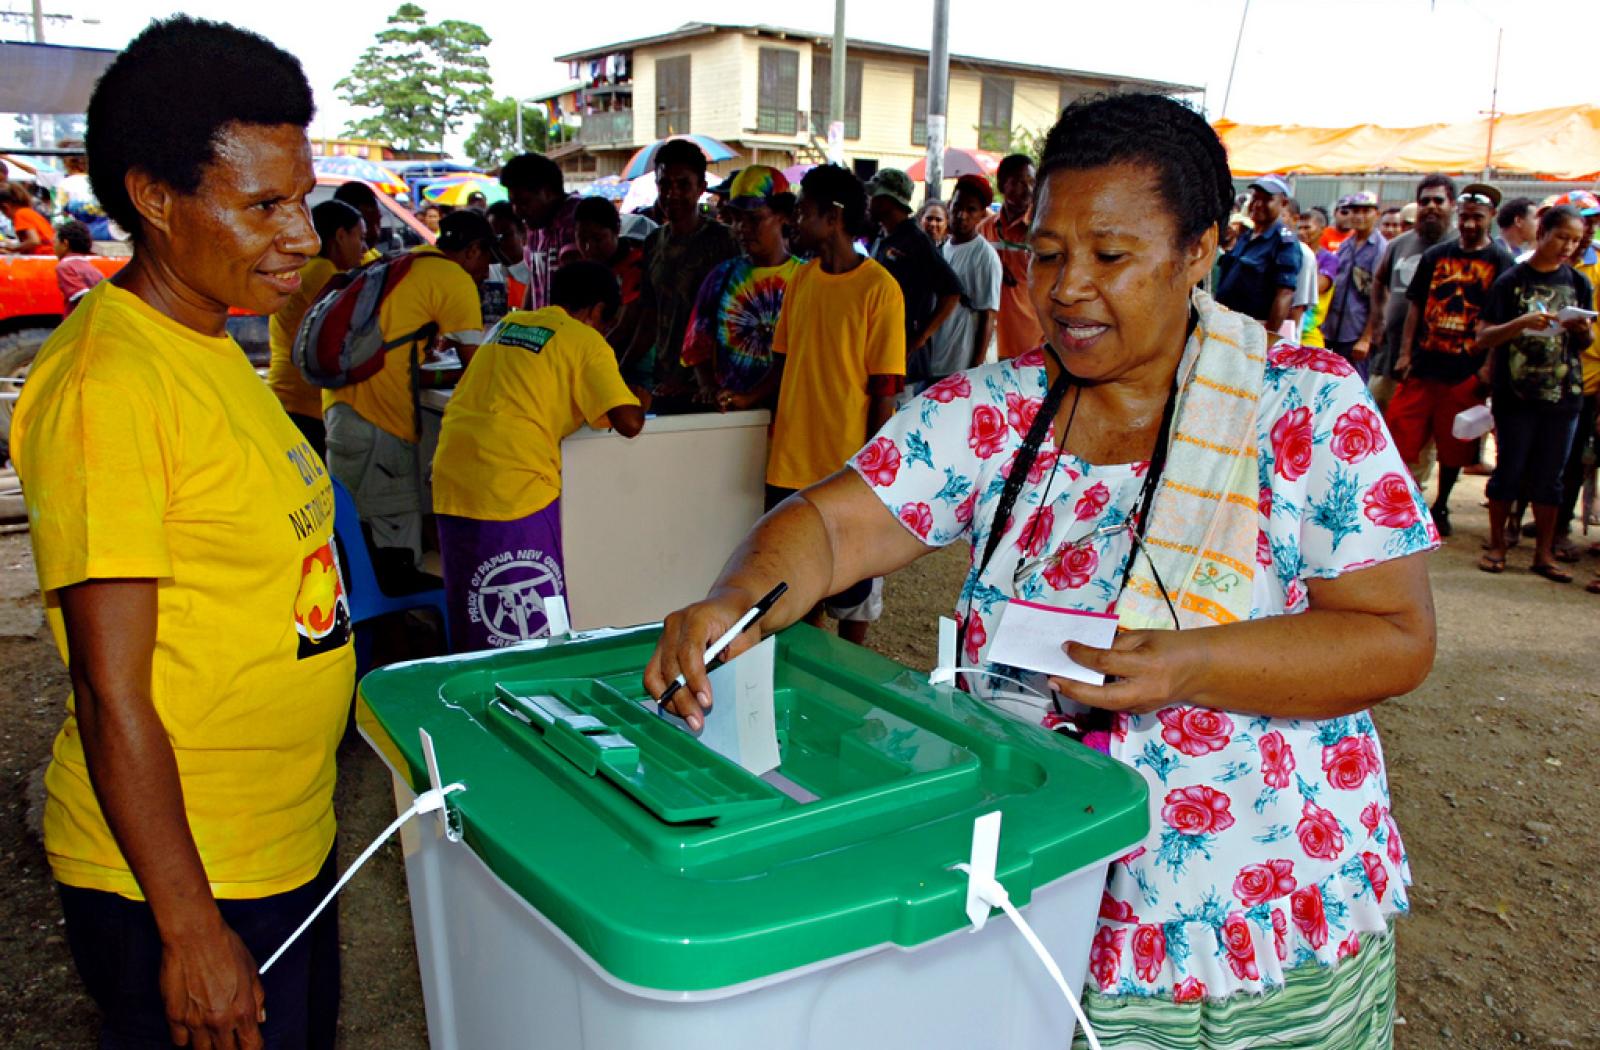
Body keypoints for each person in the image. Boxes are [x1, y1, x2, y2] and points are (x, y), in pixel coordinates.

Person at [647, 94, 1434, 1047]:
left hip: (1245, 918)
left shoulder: (1298, 409)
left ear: (1200, 252)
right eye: (1048, 253)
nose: (1065, 288)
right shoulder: (995, 412)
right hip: (1043, 900)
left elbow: (1393, 638)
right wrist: (736, 599)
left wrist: (1188, 665)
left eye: (1109, 257)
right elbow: (828, 525)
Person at [10, 18, 354, 1048]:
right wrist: (191, 930)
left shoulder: (207, 344)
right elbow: (110, 692)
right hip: (188, 880)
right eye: (262, 205)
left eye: (300, 195)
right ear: (155, 199)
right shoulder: (109, 386)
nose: (300, 233)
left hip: (280, 844)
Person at [432, 261, 645, 650]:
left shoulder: (509, 325)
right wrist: (639, 396)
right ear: (598, 311)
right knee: (529, 619)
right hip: (514, 482)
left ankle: (468, 698)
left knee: (473, 607)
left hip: (452, 475)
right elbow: (628, 421)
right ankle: (530, 702)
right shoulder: (584, 338)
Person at [762, 163, 905, 645]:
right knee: (794, 586)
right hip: (789, 464)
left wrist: (870, 472)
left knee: (854, 587)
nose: (796, 222)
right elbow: (780, 364)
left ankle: (849, 673)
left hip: (844, 467)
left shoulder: (880, 289)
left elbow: (884, 390)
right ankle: (805, 677)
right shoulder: (800, 281)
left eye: (804, 212)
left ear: (835, 216)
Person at [323, 210, 500, 587]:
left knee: (355, 545)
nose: (487, 270)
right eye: (486, 258)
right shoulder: (454, 279)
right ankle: (405, 638)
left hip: (342, 414)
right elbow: (478, 370)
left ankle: (376, 631)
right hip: (380, 429)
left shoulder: (407, 262)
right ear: (471, 251)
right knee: (395, 555)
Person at [1385, 181, 1512, 537]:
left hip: (1466, 369)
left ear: (1491, 217)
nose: (1471, 224)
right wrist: (1406, 352)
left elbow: (1501, 321)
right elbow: (1416, 306)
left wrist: (1488, 366)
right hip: (1425, 363)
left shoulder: (1501, 261)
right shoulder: (1436, 256)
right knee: (1401, 433)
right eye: (1466, 217)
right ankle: (1402, 501)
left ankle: (1441, 504)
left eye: (1478, 218)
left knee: (1455, 445)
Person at [1474, 205, 1594, 580]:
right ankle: (1497, 544)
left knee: (1551, 476)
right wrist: (1521, 323)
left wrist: (1579, 329)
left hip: (1563, 393)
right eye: (1561, 237)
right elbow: (1484, 336)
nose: (1567, 247)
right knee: (1509, 469)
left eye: (1574, 241)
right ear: (1542, 233)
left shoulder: (1578, 283)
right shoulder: (1511, 281)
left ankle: (1543, 552)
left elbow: (1588, 338)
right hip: (1516, 393)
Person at [621, 139, 739, 407]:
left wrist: (703, 380)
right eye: (665, 184)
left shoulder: (725, 242)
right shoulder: (653, 243)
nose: (672, 193)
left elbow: (732, 320)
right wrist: (622, 368)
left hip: (713, 387)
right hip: (664, 382)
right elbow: (649, 317)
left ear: (701, 189)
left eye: (683, 184)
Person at [681, 165, 801, 411]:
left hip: (790, 416)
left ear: (784, 216)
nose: (741, 228)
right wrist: (708, 387)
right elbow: (697, 345)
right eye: (736, 219)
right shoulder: (722, 277)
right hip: (733, 419)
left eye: (754, 219)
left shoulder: (806, 278)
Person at [266, 200, 366, 458]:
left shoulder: (306, 270)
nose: (364, 248)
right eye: (360, 237)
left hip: (289, 394)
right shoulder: (324, 274)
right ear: (341, 236)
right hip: (305, 402)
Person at [1365, 176, 1457, 413]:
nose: (1431, 207)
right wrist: (1377, 321)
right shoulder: (1399, 244)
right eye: (1425, 201)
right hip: (1388, 358)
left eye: (1439, 200)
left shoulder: (1458, 247)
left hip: (1430, 367)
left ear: (1452, 205)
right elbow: (1378, 280)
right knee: (1372, 426)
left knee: (1417, 444)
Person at [867, 167, 963, 385]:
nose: (869, 201)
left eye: (874, 195)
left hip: (905, 360)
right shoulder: (883, 238)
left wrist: (920, 338)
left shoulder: (916, 240)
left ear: (888, 201)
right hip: (882, 349)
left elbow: (952, 290)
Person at [1553, 191, 1600, 562]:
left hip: (1589, 379)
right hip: (1543, 378)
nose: (1582, 233)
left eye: (1589, 222)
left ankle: (1561, 527)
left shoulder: (1596, 267)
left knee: (1575, 460)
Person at [924, 173, 1002, 380]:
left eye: (971, 210)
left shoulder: (985, 256)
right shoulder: (943, 248)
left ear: (982, 215)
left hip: (959, 364)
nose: (962, 215)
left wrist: (974, 370)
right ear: (949, 205)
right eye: (958, 207)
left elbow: (989, 315)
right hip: (935, 358)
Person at [1214, 174, 1302, 332]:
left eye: (1267, 199)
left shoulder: (1284, 243)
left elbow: (1285, 294)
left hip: (1251, 330)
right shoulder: (1246, 236)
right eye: (1255, 198)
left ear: (1283, 203)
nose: (1258, 204)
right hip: (1227, 325)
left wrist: (1268, 336)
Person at [980, 153, 1045, 359]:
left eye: (1032, 182)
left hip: (1031, 344)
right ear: (1001, 185)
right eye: (1018, 182)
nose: (1028, 190)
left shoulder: (1042, 233)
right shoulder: (984, 231)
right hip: (987, 344)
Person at [501, 152, 580, 311]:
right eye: (513, 203)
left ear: (549, 192)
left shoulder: (578, 218)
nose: (517, 211)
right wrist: (522, 323)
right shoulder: (536, 223)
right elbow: (535, 277)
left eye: (524, 202)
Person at [1320, 191, 1386, 377]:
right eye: (1355, 211)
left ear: (1376, 214)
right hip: (1333, 329)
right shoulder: (1346, 244)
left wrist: (1366, 338)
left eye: (1366, 211)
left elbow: (1379, 298)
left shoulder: (1380, 248)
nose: (1359, 216)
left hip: (1356, 332)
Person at [575, 195, 647, 363]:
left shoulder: (636, 266)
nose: (588, 247)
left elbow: (625, 326)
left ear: (616, 229)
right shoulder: (582, 270)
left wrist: (589, 361)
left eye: (597, 239)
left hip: (627, 361)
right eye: (582, 239)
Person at [1294, 205, 1338, 349]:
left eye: (1307, 228)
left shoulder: (1329, 260)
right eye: (1299, 228)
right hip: (1288, 326)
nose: (1301, 232)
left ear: (1322, 229)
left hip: (1309, 332)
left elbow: (1315, 287)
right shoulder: (1291, 254)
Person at [332, 179, 398, 261]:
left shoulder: (374, 257)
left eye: (378, 222)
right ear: (341, 235)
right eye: (366, 225)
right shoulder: (325, 270)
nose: (375, 232)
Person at [53, 220, 104, 316]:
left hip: (77, 321)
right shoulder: (92, 268)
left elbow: (82, 295)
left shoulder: (64, 266)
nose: (54, 247)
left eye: (55, 242)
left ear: (65, 243)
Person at [0, 180, 55, 254]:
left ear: (6, 207)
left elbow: (34, 241)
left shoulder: (20, 214)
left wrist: (13, 248)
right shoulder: (28, 212)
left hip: (45, 256)